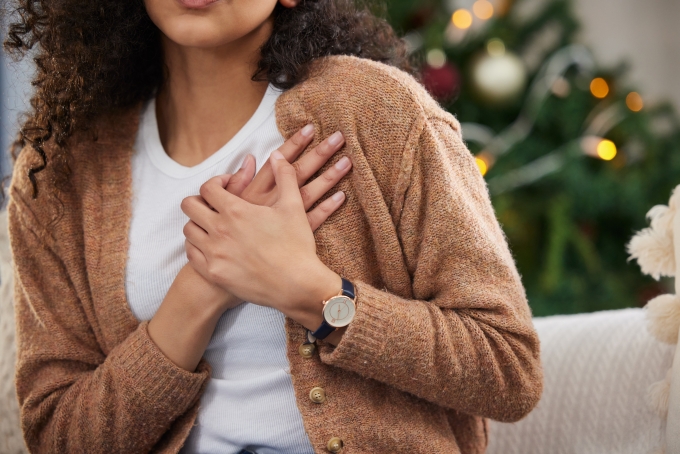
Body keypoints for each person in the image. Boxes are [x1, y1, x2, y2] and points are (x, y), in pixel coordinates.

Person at [5, 0, 543, 452]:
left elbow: (508, 368)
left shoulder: (378, 112)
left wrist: (307, 290)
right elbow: (57, 435)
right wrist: (202, 288)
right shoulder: (59, 171)